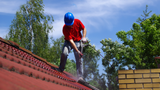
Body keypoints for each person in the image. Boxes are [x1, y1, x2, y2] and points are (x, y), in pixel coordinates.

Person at [58, 12, 87, 81]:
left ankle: (80, 76)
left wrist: (83, 37)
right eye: (68, 25)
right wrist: (77, 50)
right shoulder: (65, 28)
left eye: (71, 25)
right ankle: (61, 69)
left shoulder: (77, 21)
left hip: (77, 41)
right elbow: (71, 41)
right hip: (69, 41)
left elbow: (84, 29)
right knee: (64, 53)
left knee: (78, 57)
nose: (70, 26)